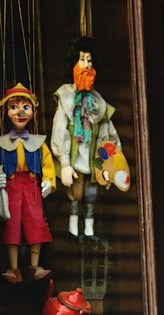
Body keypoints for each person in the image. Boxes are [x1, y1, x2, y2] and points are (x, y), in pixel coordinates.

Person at [50, 36, 125, 238]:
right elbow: (59, 130)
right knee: (76, 193)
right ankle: (73, 227)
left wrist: (111, 165)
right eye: (82, 60)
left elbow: (108, 134)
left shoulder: (98, 103)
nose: (86, 65)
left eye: (89, 60)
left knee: (92, 193)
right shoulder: (66, 97)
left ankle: (89, 229)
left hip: (92, 156)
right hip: (74, 156)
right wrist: (64, 163)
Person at [0, 83, 54, 282]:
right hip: (12, 186)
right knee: (12, 225)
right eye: (14, 107)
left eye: (26, 107)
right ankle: (14, 268)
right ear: (6, 112)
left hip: (32, 186)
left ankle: (35, 265)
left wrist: (48, 180)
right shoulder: (2, 143)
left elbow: (48, 163)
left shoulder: (38, 143)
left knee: (35, 222)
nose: (20, 112)